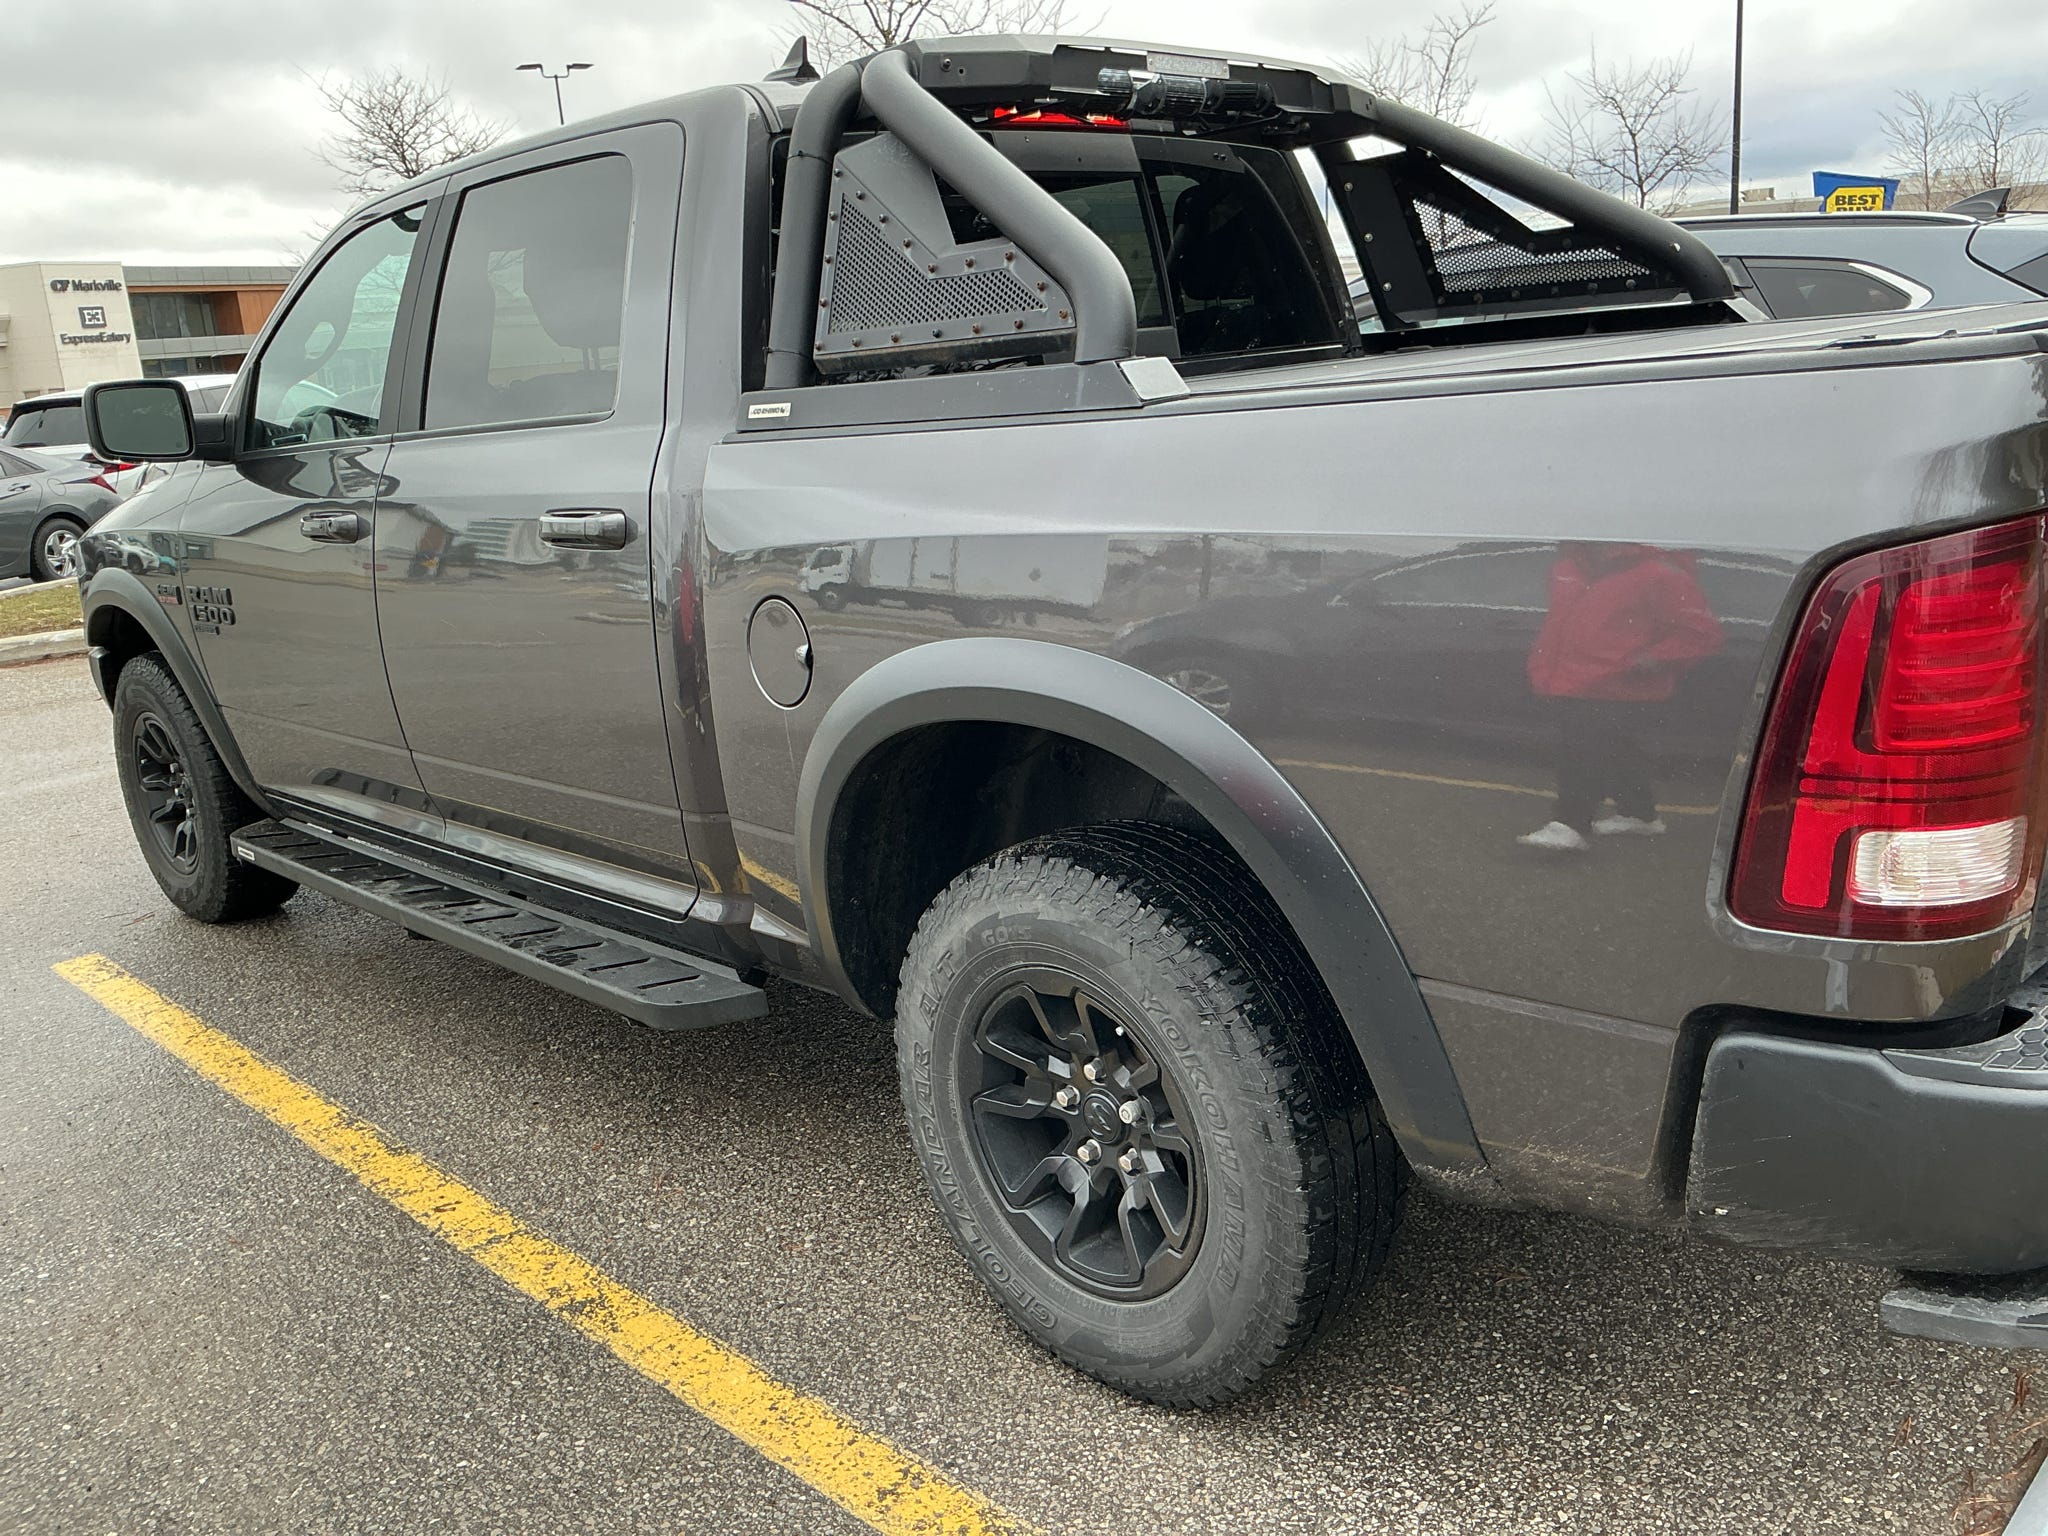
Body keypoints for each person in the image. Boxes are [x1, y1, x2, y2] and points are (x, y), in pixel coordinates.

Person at [1518, 542, 1724, 852]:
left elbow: (1701, 633)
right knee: (1616, 750)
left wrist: (1652, 658)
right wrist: (1543, 670)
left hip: (1622, 686)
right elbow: (1557, 626)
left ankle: (1570, 824)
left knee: (1581, 750)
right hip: (1569, 680)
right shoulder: (1568, 568)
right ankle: (1640, 815)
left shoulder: (1660, 574)